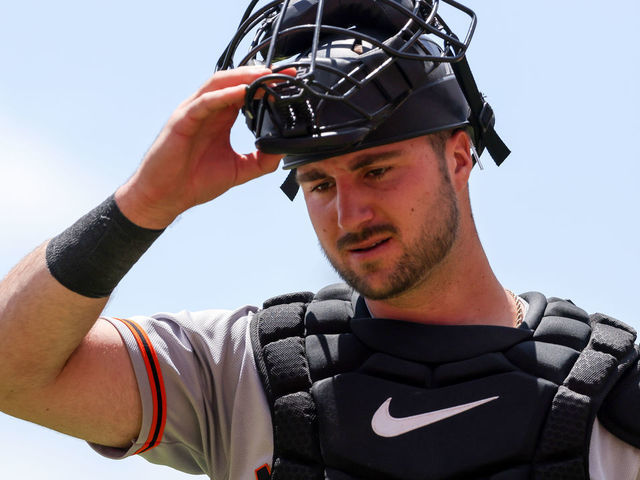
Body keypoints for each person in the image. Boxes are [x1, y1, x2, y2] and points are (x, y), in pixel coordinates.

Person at [1, 1, 639, 479]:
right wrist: (144, 201)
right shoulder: (240, 373)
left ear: (460, 155)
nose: (349, 213)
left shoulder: (617, 399)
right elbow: (11, 372)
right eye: (318, 183)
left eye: (376, 170)